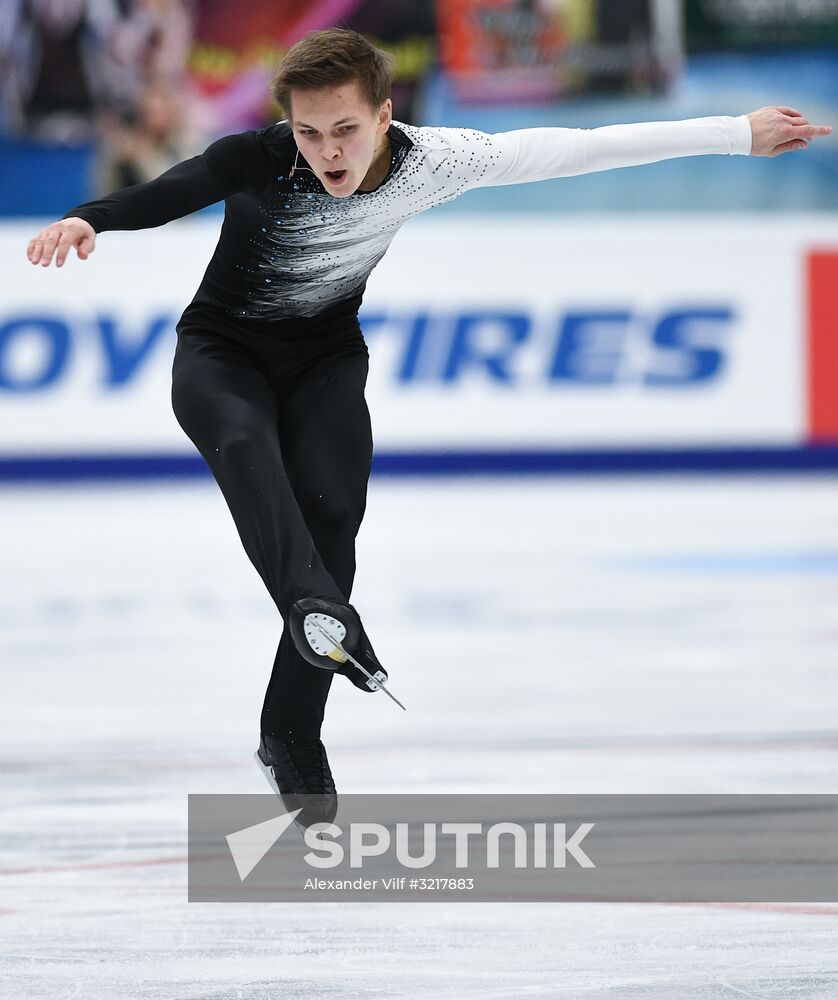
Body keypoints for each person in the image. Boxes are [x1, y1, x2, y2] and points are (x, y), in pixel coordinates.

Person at [26, 28, 831, 828]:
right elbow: (174, 187)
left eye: (345, 129)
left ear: (384, 116)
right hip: (220, 356)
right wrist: (90, 218)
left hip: (325, 359)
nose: (327, 152)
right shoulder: (259, 157)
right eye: (309, 132)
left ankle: (289, 730)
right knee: (246, 450)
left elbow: (580, 147)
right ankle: (318, 613)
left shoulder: (437, 159)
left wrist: (733, 133)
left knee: (335, 522)